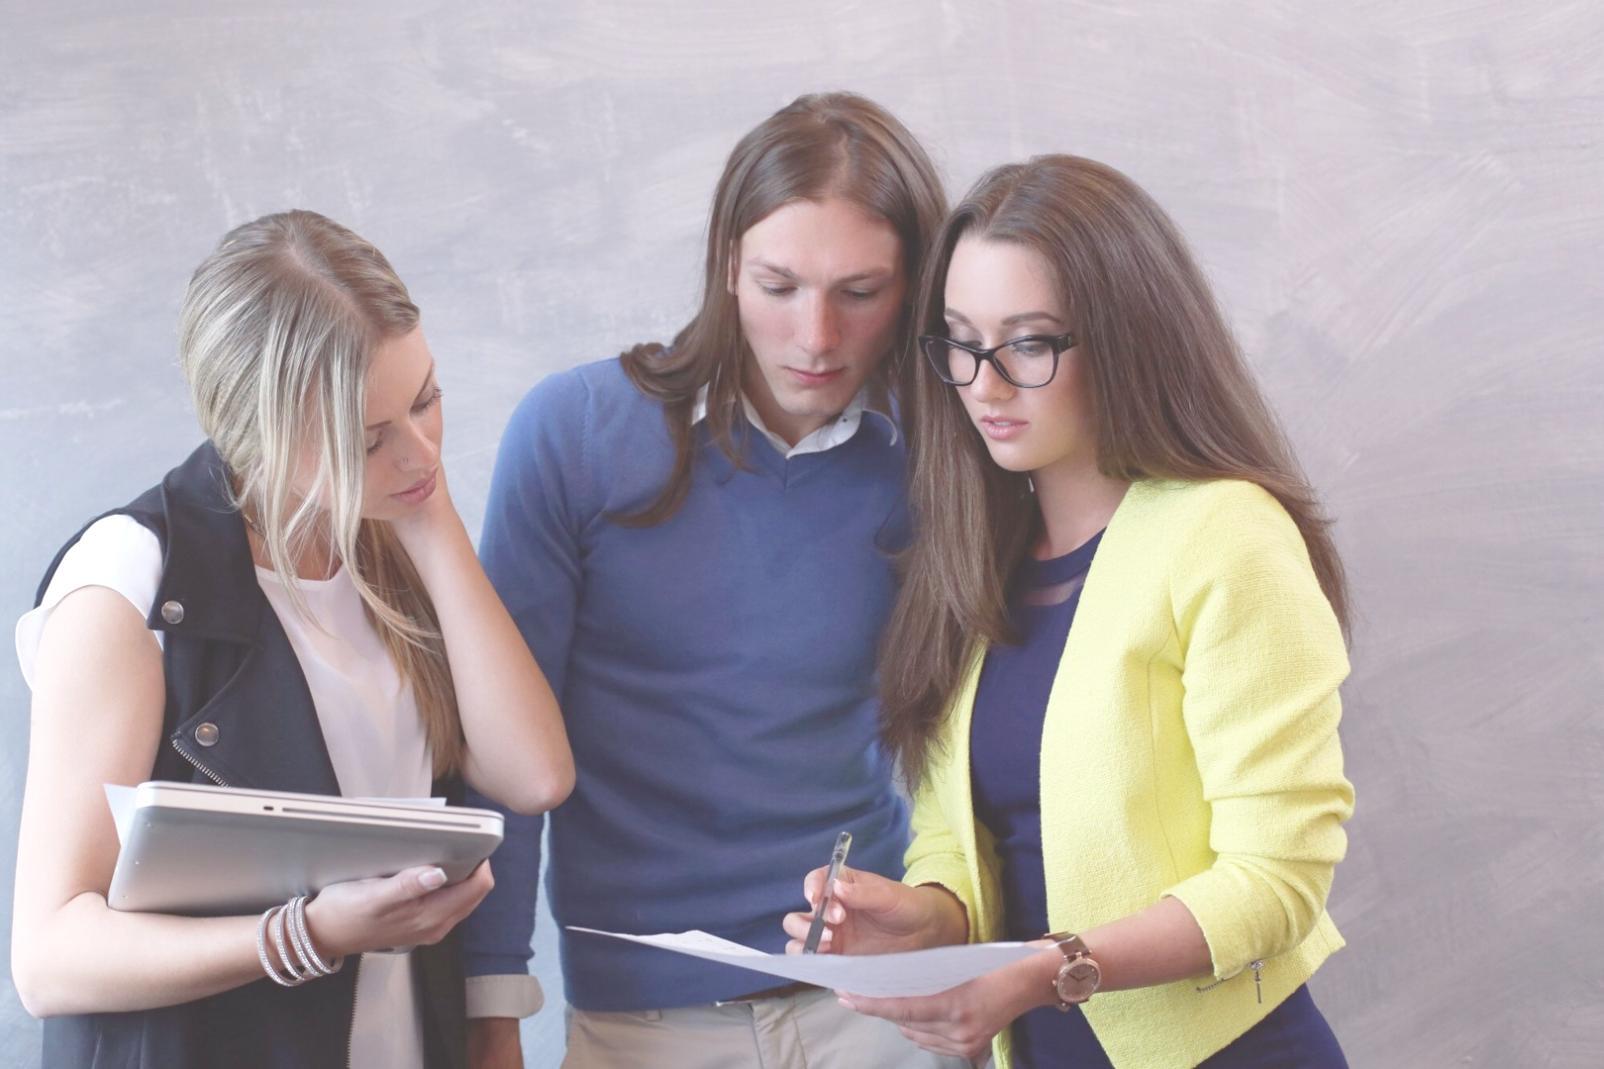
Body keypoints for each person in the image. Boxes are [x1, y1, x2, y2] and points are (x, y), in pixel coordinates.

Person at [783, 155, 1356, 1069]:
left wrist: (1047, 969)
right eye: (961, 341)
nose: (985, 383)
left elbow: (1277, 879)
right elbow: (985, 842)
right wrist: (928, 915)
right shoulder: (978, 555)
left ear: (1129, 338)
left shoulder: (1226, 535)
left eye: (1031, 343)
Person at [462, 93, 963, 1068]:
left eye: (858, 292)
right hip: (640, 1018)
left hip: (877, 1011)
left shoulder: (941, 454)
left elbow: (978, 737)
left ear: (911, 290)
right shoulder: (571, 434)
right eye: (779, 284)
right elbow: (499, 750)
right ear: (726, 265)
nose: (815, 336)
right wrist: (489, 1003)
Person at [10, 210, 575, 1069]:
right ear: (258, 438)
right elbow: (49, 960)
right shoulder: (127, 583)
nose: (420, 450)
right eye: (368, 437)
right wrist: (303, 934)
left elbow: (534, 774)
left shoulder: (382, 536)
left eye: (426, 398)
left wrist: (433, 523)